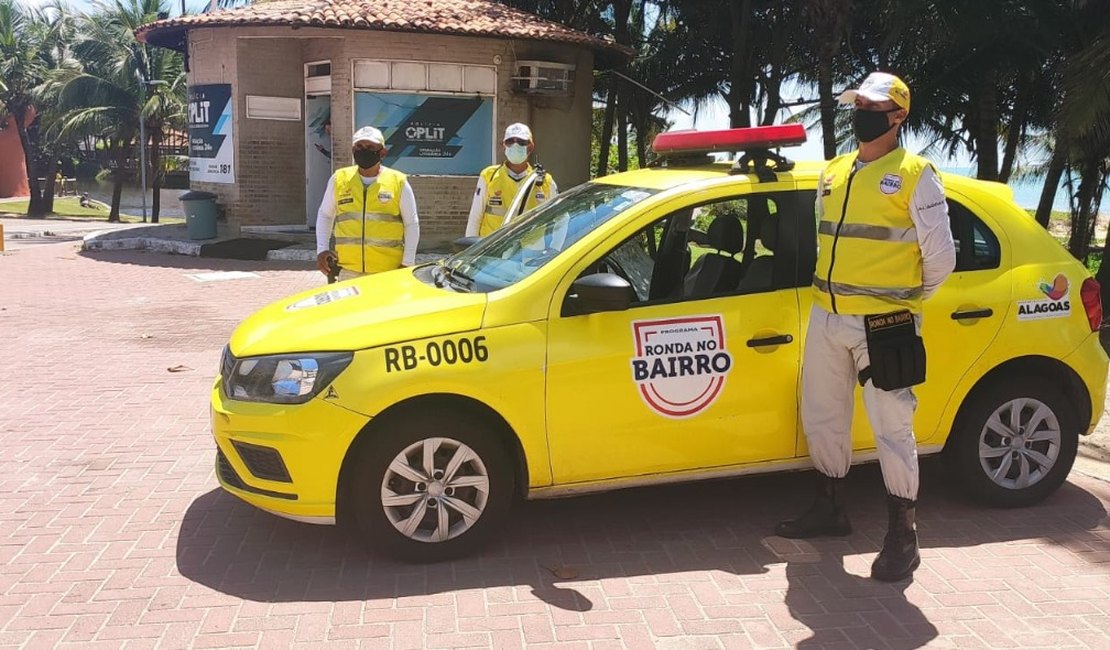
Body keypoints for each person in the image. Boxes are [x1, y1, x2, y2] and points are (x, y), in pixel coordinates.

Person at [775, 72, 956, 583]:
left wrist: (903, 306)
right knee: (823, 416)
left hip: (886, 322)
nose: (861, 113)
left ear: (898, 116)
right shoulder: (833, 172)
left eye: (873, 106)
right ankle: (830, 508)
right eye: (858, 104)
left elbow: (940, 259)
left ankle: (904, 536)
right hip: (828, 316)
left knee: (892, 428)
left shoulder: (917, 173)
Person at [316, 126, 420, 281]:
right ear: (353, 150)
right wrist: (322, 250)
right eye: (359, 146)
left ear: (382, 152)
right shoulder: (339, 179)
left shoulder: (398, 182)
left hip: (388, 271)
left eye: (371, 147)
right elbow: (325, 215)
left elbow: (411, 223)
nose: (364, 150)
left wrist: (408, 262)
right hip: (348, 270)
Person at [465, 123, 558, 238]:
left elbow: (560, 218)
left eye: (521, 142)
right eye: (510, 142)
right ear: (504, 146)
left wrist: (554, 248)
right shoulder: (489, 176)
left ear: (530, 147)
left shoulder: (545, 181)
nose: (515, 145)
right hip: (495, 249)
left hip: (531, 252)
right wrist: (470, 248)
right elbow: (475, 217)